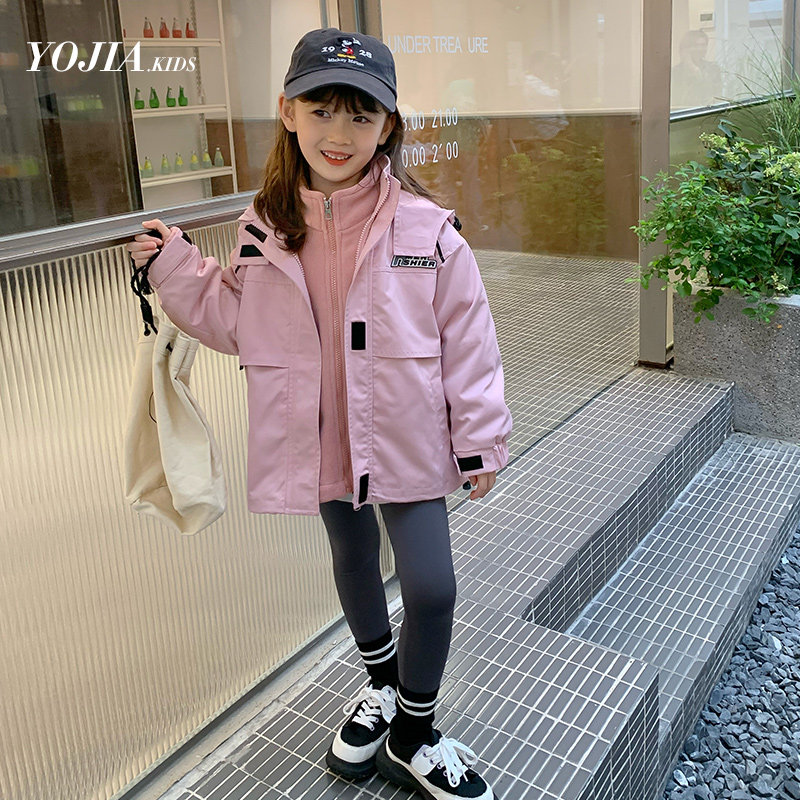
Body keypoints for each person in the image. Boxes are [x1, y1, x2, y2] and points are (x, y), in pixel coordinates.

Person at [127, 27, 511, 800]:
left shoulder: (427, 231)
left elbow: (470, 341)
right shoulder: (266, 226)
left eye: (361, 115)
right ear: (288, 113)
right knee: (352, 558)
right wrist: (173, 264)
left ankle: (414, 733)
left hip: (406, 438)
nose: (340, 133)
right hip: (321, 434)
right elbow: (236, 319)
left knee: (432, 587)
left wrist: (480, 441)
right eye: (322, 110)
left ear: (388, 126)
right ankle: (382, 689)